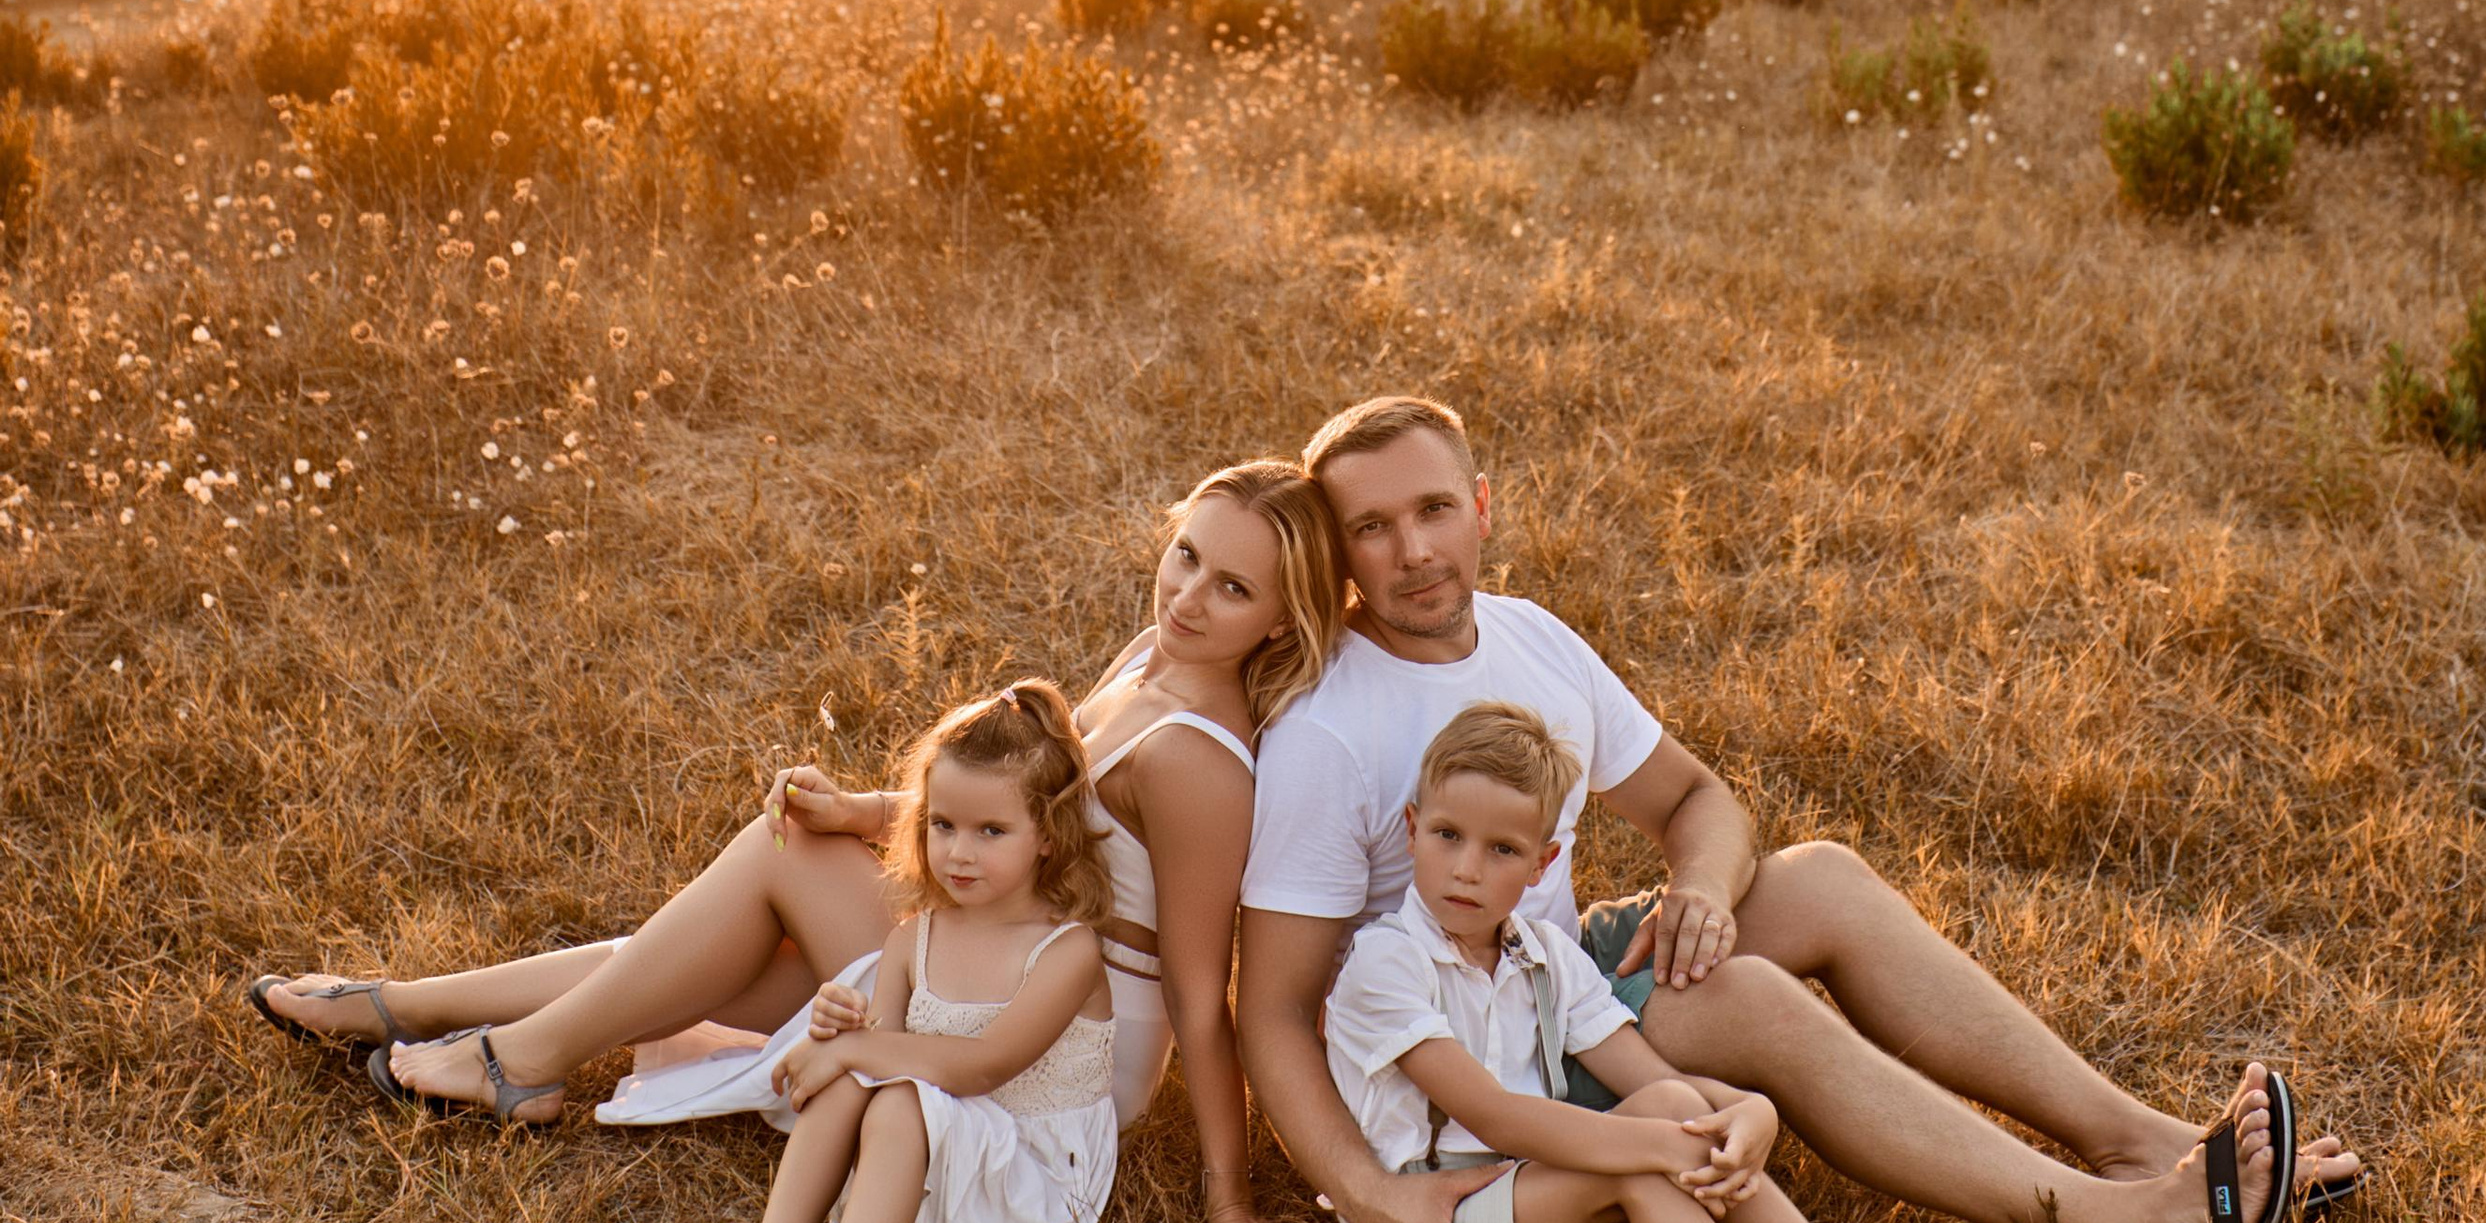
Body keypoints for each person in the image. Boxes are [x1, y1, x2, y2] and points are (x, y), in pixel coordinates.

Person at [1237, 395, 2357, 1223]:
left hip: (1548, 954)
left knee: (1819, 874)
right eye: (1373, 527)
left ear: (1481, 506)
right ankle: (2107, 1213)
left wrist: (1699, 890)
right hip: (1469, 1035)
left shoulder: (1528, 632)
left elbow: (1692, 797)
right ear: (1337, 553)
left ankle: (2147, 1143)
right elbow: (1274, 1008)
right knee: (1742, 994)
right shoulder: (1329, 726)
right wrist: (1370, 1187)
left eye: (1434, 508)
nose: (1415, 549)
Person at [251, 458, 1342, 1223]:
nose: (1190, 595)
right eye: (1186, 555)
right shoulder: (1156, 650)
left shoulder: (1201, 757)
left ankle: (511, 1059)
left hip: (1051, 1025)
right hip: (984, 936)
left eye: (1232, 587)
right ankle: (410, 1005)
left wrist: (1226, 1192)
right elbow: (1033, 807)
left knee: (779, 865)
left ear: (1282, 618)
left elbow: (1206, 993)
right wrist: (869, 812)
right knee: (731, 945)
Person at [1326, 701, 1794, 1223]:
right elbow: (1494, 1117)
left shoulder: (1545, 954)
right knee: (1643, 1161)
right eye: (1448, 835)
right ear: (1413, 830)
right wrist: (1665, 1147)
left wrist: (1750, 1108)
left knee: (1671, 1103)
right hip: (1432, 1201)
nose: (1467, 870)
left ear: (1541, 864)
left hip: (1524, 1182)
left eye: (1502, 849)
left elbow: (1651, 1079)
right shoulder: (1387, 960)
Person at [754, 680, 1115, 1223]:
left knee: (893, 1096)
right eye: (943, 825)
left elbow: (983, 1067)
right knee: (851, 1077)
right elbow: (881, 1053)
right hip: (930, 1149)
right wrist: (844, 1030)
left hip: (1032, 1175)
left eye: (991, 831)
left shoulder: (1067, 951)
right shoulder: (912, 941)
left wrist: (856, 1051)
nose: (960, 853)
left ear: (1048, 834)